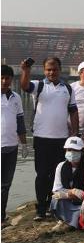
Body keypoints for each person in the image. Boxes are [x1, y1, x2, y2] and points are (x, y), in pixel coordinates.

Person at [20, 57, 79, 221]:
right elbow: (24, 86)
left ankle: (52, 205)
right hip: (41, 138)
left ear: (60, 70)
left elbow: (73, 111)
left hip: (61, 139)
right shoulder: (39, 86)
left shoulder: (67, 88)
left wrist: (74, 133)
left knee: (57, 174)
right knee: (41, 174)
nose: (51, 72)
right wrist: (25, 70)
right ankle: (41, 207)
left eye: (54, 69)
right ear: (44, 70)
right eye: (48, 69)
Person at [1, 65, 27, 227]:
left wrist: (24, 144)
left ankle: (1, 217)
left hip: (11, 147)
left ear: (11, 79)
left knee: (5, 184)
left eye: (7, 78)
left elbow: (20, 122)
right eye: (1, 77)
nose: (4, 81)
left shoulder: (16, 97)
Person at [50, 136, 84, 233]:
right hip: (67, 198)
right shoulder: (61, 166)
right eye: (69, 150)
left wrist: (78, 194)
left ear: (82, 151)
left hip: (82, 200)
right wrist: (69, 193)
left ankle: (71, 223)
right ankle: (63, 220)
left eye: (75, 150)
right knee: (55, 200)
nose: (72, 152)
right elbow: (57, 189)